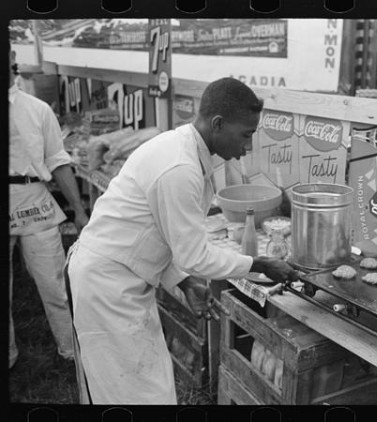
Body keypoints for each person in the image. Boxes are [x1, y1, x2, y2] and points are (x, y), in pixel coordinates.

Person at [66, 77, 299, 404]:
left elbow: (167, 235)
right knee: (131, 393)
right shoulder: (179, 165)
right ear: (217, 123)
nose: (247, 146)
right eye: (246, 134)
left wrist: (186, 282)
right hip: (105, 286)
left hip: (123, 279)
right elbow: (194, 254)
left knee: (148, 387)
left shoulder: (186, 151)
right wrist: (258, 263)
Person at [9, 46, 89, 369]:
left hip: (34, 200)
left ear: (12, 62)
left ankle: (71, 351)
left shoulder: (38, 109)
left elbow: (58, 161)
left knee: (54, 282)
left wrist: (79, 210)